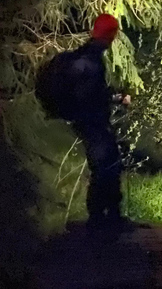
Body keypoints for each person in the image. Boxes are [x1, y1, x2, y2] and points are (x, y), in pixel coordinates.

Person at [36, 13, 129, 231]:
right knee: (107, 164)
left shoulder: (85, 55)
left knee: (106, 163)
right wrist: (113, 99)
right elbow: (91, 95)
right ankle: (103, 220)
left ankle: (106, 217)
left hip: (85, 121)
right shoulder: (91, 61)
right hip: (91, 122)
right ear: (111, 35)